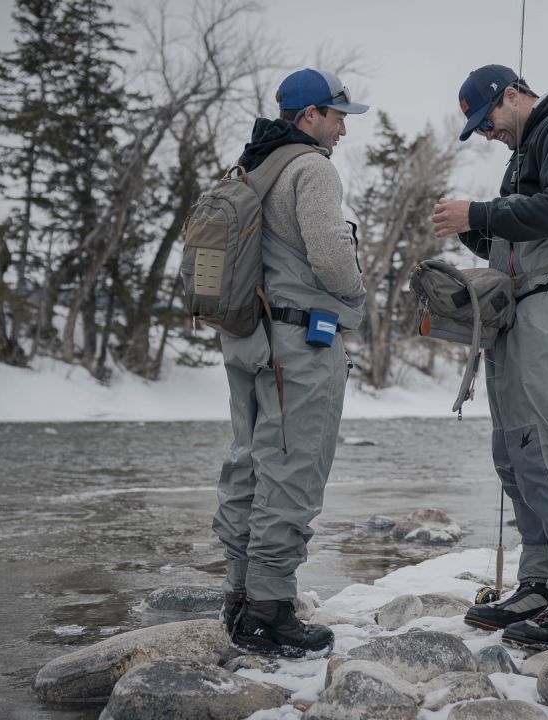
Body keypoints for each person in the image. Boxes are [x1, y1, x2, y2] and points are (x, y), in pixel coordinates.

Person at [432, 64, 548, 651]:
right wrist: (472, 232)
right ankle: (538, 581)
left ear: (513, 95)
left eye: (488, 122)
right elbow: (519, 231)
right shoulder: (527, 147)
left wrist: (479, 214)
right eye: (479, 130)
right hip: (517, 309)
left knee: (543, 445)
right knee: (514, 452)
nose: (488, 134)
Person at [213, 68, 368, 659]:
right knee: (293, 469)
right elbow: (332, 259)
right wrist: (356, 293)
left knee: (248, 463)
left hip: (248, 340)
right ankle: (269, 612)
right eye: (337, 116)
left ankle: (238, 595)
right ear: (308, 116)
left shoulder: (250, 167)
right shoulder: (311, 169)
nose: (341, 130)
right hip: (300, 347)